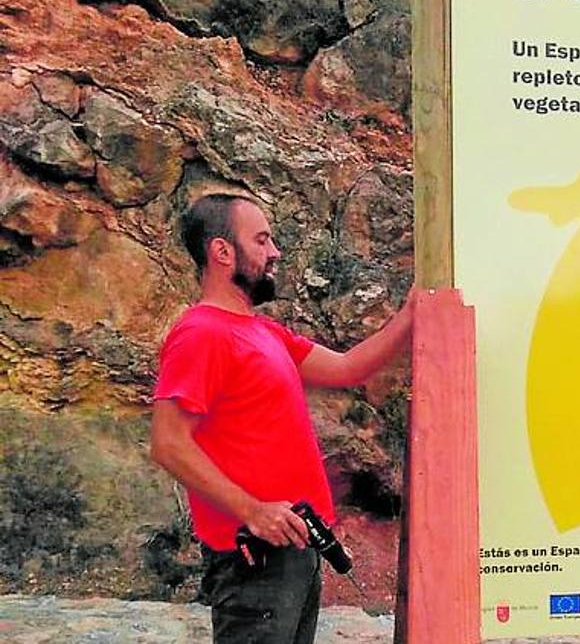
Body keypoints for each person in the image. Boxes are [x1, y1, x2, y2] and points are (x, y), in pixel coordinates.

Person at [150, 193, 413, 643]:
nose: (276, 253)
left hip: (294, 551)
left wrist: (413, 314)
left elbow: (350, 369)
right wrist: (252, 511)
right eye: (263, 240)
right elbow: (168, 443)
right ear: (222, 252)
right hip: (254, 560)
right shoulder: (201, 333)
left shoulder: (262, 331)